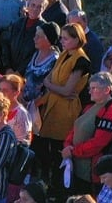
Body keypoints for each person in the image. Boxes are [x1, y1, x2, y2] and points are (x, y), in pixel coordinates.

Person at [34, 25, 90, 192]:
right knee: (45, 149)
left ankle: (59, 189)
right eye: (62, 38)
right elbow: (48, 80)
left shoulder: (81, 60)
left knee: (60, 151)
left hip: (66, 112)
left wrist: (51, 85)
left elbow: (67, 90)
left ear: (77, 39)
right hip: (52, 107)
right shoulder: (64, 54)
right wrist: (52, 86)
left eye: (66, 38)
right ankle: (46, 184)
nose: (62, 41)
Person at [62, 73, 112, 194]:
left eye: (94, 88)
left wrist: (73, 151)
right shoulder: (90, 107)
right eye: (90, 88)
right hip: (78, 167)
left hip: (94, 173)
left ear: (107, 90)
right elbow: (75, 128)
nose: (90, 92)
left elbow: (99, 142)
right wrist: (67, 146)